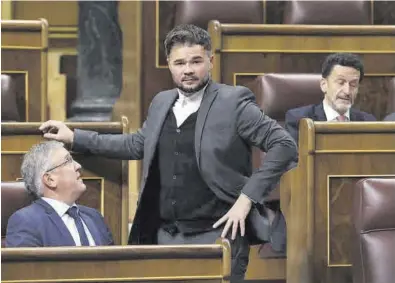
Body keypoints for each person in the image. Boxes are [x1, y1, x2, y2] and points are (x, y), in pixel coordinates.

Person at [39, 24, 297, 282]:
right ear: (169, 65)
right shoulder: (162, 102)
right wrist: (75, 137)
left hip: (218, 235)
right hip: (164, 236)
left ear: (211, 60)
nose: (188, 70)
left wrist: (247, 198)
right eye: (180, 63)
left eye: (196, 61)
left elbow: (284, 146)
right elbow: (136, 144)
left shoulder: (234, 102)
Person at [6, 141, 114, 247]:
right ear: (50, 179)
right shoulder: (26, 221)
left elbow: (115, 262)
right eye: (68, 160)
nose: (78, 166)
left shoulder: (94, 217)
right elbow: (27, 265)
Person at [285, 53, 376, 144]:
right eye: (341, 82)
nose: (347, 91)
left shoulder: (368, 122)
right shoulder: (299, 120)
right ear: (324, 85)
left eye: (353, 85)